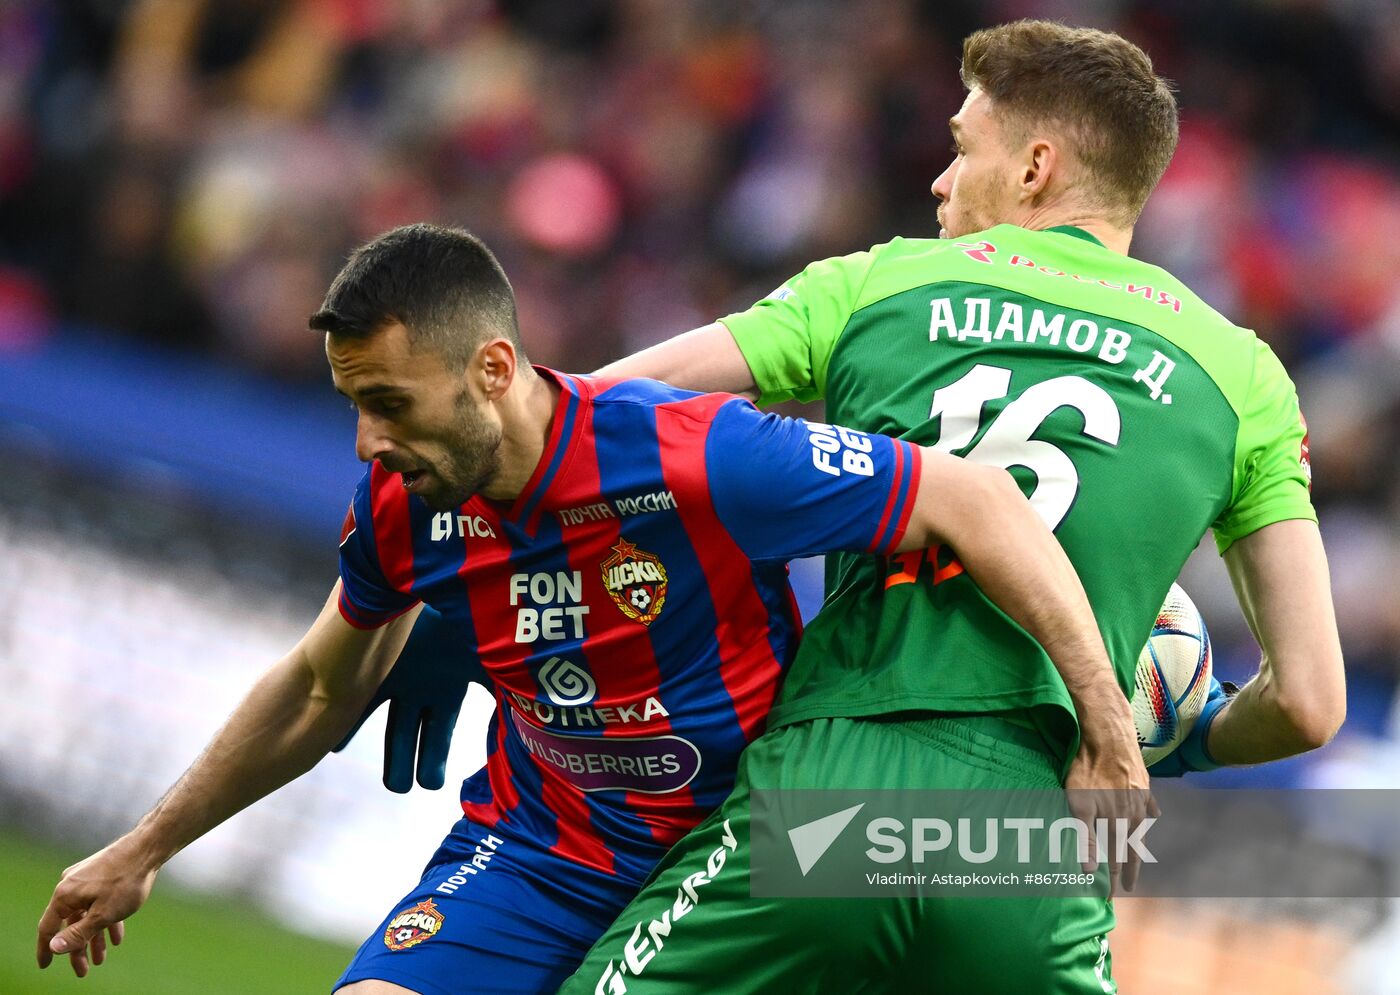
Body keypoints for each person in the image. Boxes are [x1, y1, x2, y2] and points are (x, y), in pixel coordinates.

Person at [35, 223, 1139, 993]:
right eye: (354, 405)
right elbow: (322, 683)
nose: (368, 442)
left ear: (494, 367)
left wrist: (1102, 719)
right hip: (540, 848)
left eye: (388, 404)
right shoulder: (401, 501)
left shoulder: (695, 456)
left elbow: (973, 497)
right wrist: (145, 845)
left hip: (740, 855)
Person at [555, 20, 1347, 993]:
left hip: (839, 794)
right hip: (1038, 842)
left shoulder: (880, 284)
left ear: (1033, 168)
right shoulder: (1243, 377)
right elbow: (1309, 702)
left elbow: (587, 418)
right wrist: (1172, 736)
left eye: (962, 147)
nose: (938, 179)